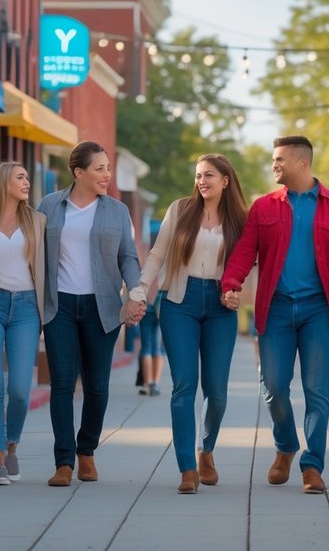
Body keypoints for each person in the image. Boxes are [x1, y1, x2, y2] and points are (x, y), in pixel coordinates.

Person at [221, 135, 329, 495]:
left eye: (280, 159)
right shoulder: (263, 207)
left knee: (316, 390)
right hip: (277, 308)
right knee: (273, 387)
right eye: (274, 159)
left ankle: (312, 464)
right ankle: (285, 445)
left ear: (303, 163)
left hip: (319, 309)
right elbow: (244, 251)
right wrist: (231, 282)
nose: (274, 165)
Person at [127, 154, 248, 493]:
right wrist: (139, 290)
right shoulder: (180, 209)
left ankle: (206, 449)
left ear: (226, 180)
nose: (201, 181)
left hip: (221, 306)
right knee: (184, 385)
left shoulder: (240, 218)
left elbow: (248, 262)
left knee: (217, 391)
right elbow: (157, 254)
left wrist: (237, 293)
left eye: (209, 175)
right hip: (180, 301)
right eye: (198, 175)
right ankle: (186, 468)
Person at [37, 141, 142, 487]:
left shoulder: (117, 211)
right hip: (59, 306)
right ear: (78, 172)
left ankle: (87, 451)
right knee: (62, 385)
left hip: (103, 307)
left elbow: (128, 256)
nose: (107, 175)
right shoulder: (49, 206)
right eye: (99, 169)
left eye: (108, 168)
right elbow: (33, 254)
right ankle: (63, 461)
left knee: (97, 386)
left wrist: (135, 293)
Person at [0, 162, 47, 486]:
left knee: (19, 389)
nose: (27, 182)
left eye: (28, 177)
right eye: (20, 177)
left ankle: (12, 445)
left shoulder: (38, 221)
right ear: (4, 182)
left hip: (27, 306)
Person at [136, 294, 164, 396]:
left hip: (145, 305)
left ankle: (147, 384)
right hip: (159, 305)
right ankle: (155, 384)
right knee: (156, 349)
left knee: (146, 348)